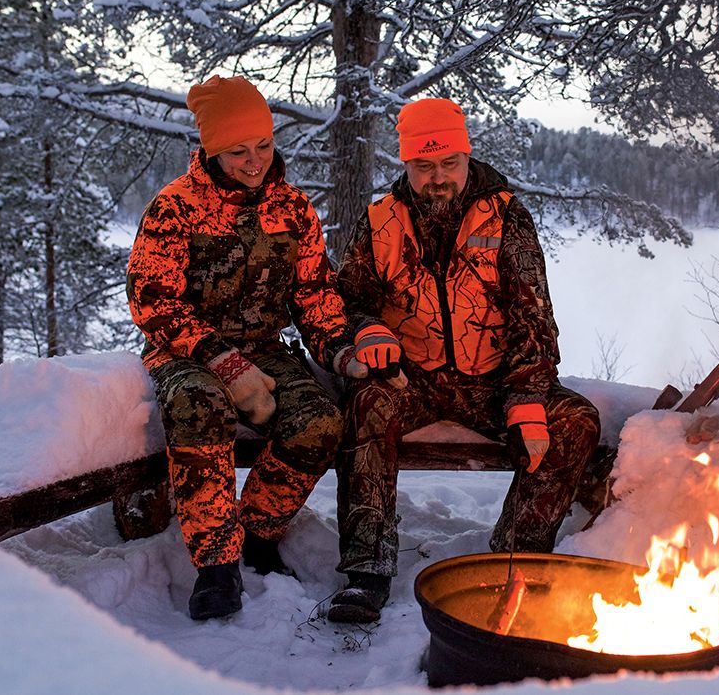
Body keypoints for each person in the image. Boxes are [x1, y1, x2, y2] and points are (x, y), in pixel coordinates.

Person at [126, 75, 392, 621]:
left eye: (264, 146)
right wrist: (225, 364)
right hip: (187, 352)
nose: (254, 161)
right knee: (200, 405)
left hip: (265, 347)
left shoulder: (293, 209)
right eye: (237, 151)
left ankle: (256, 533)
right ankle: (217, 566)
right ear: (209, 150)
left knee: (320, 422)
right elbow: (152, 300)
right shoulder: (175, 207)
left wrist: (340, 349)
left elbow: (314, 295)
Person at [328, 97, 602, 623]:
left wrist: (525, 399)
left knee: (574, 421)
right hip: (411, 377)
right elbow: (349, 300)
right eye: (424, 166)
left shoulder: (505, 215)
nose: (438, 178)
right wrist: (368, 332)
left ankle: (512, 564)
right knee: (367, 405)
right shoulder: (380, 220)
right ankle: (367, 571)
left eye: (449, 163)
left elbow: (533, 315)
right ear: (405, 164)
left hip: (494, 380)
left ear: (466, 155)